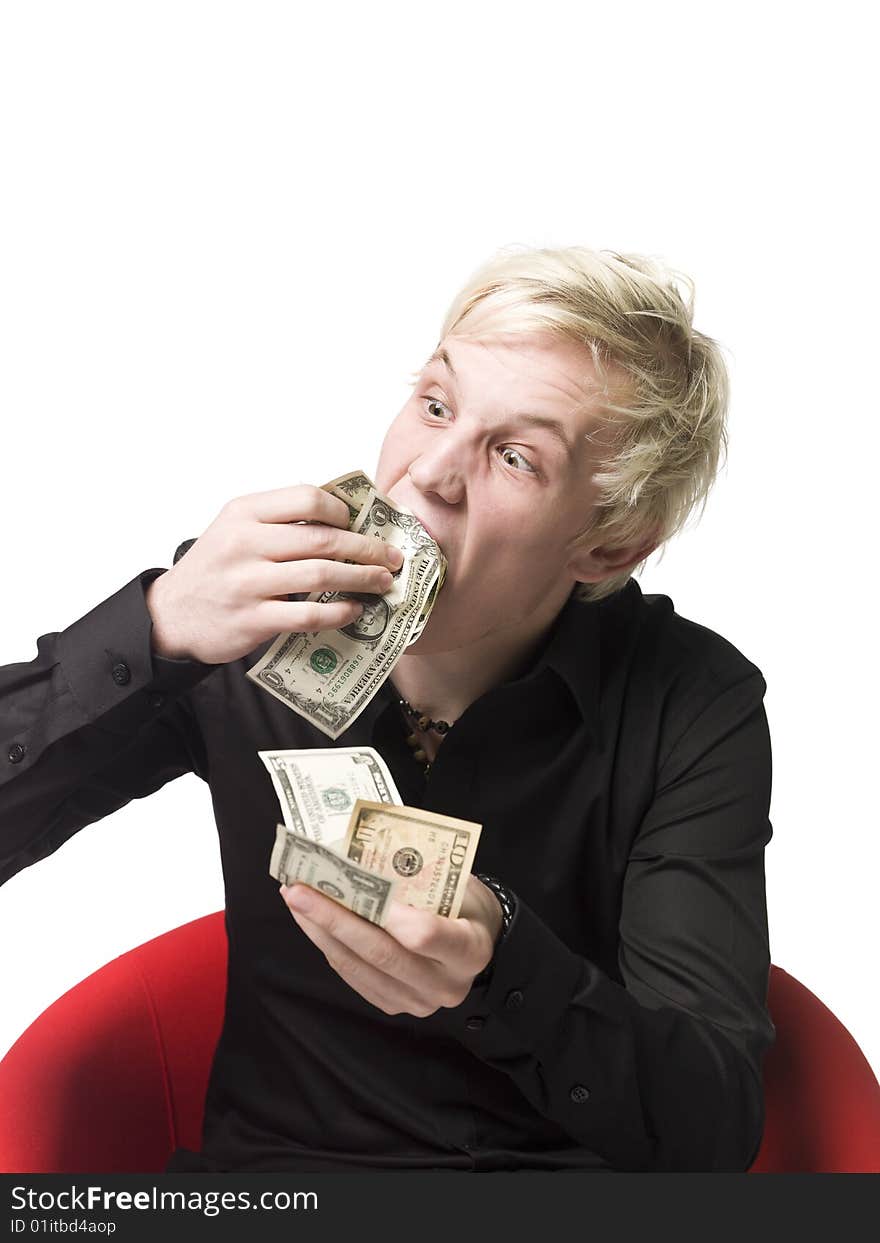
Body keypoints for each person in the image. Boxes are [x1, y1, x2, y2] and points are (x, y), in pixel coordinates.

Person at [0, 245, 775, 1173]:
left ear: (607, 546)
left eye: (517, 456)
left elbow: (712, 1132)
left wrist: (504, 965)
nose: (426, 478)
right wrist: (155, 627)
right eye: (436, 405)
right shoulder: (244, 616)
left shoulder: (694, 703)